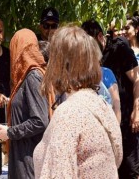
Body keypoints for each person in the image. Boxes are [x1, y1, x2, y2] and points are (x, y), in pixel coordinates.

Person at [33, 25, 123, 178]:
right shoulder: (101, 104)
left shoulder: (69, 113)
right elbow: (117, 156)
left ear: (59, 64)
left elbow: (59, 174)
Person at [82, 19, 139, 178]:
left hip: (126, 123)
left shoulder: (120, 49)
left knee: (130, 170)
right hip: (102, 132)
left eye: (90, 43)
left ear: (100, 37)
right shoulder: (87, 58)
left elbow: (137, 79)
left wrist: (137, 109)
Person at [0, 29, 51, 178]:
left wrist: (10, 132)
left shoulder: (33, 77)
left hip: (29, 161)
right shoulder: (29, 76)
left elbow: (40, 121)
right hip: (24, 158)